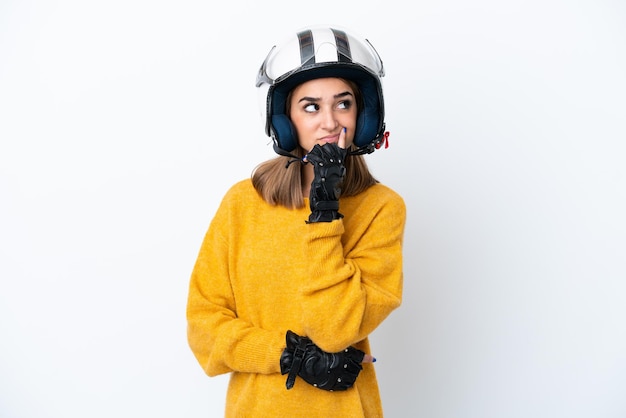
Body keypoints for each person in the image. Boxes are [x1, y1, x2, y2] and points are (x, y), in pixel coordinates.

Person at [186, 25, 406, 417]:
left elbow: (334, 330)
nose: (329, 122)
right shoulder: (243, 203)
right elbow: (204, 329)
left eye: (343, 104)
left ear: (363, 114)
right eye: (310, 106)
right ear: (285, 117)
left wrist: (325, 213)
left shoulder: (381, 209)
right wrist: (290, 357)